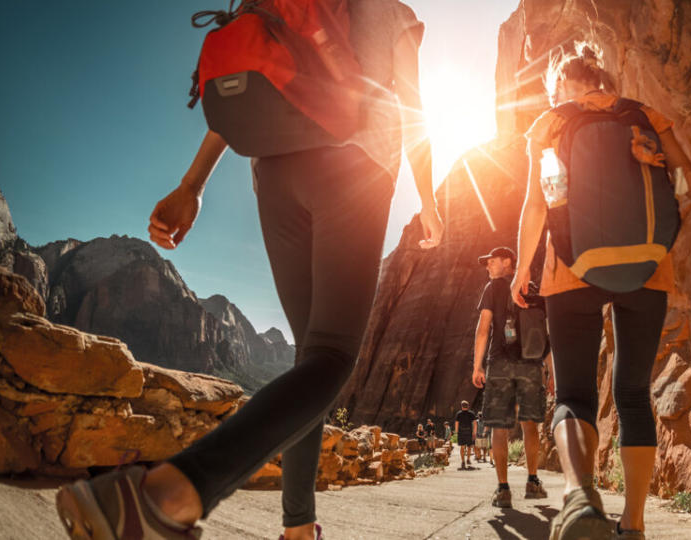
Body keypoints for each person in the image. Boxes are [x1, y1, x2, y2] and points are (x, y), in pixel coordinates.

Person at [54, 2, 443, 540]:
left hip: (274, 174)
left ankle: (298, 529)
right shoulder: (391, 10)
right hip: (354, 168)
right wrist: (429, 200)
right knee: (331, 355)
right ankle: (164, 494)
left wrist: (192, 186)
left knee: (311, 360)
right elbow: (413, 105)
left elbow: (251, 92)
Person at [511, 43, 691, 540]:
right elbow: (690, 184)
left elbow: (541, 203)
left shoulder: (552, 123)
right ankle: (635, 525)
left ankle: (580, 497)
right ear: (603, 78)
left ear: (560, 85)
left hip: (571, 271)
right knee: (634, 395)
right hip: (647, 268)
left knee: (574, 394)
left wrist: (521, 271)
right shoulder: (643, 116)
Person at [472, 246, 549, 508]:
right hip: (531, 364)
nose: (488, 266)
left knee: (499, 426)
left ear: (507, 262)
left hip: (501, 364)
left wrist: (477, 366)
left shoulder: (493, 288)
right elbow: (545, 332)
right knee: (530, 425)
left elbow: (483, 329)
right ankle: (533, 481)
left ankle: (503, 489)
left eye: (492, 261)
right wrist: (548, 369)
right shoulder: (535, 288)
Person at [454, 400, 477, 469]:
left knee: (462, 447)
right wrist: (474, 432)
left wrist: (456, 432)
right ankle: (468, 459)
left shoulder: (458, 414)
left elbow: (456, 424)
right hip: (469, 432)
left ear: (461, 406)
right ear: (468, 406)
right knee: (469, 446)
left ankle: (463, 461)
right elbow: (475, 424)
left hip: (461, 432)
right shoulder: (471, 413)